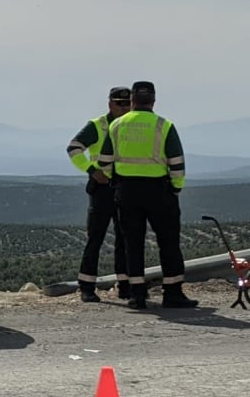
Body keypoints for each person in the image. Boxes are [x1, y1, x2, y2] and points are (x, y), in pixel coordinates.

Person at [97, 81, 198, 310]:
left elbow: (104, 163)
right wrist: (175, 187)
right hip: (159, 191)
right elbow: (177, 164)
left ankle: (136, 295)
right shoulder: (164, 126)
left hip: (127, 191)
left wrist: (115, 181)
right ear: (153, 100)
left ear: (132, 101)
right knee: (169, 242)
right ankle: (172, 292)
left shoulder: (117, 125)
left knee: (133, 244)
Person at [67, 86, 133, 302]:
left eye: (127, 103)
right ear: (110, 104)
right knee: (96, 237)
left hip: (125, 187)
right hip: (102, 188)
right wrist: (92, 171)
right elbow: (74, 148)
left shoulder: (133, 125)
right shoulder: (98, 125)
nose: (123, 107)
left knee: (125, 238)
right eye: (119, 103)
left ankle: (125, 285)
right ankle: (86, 286)